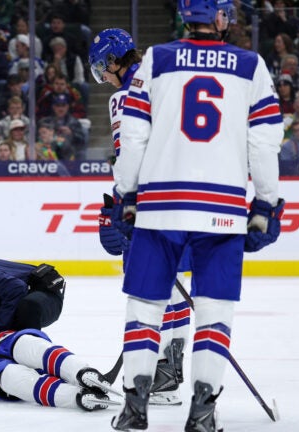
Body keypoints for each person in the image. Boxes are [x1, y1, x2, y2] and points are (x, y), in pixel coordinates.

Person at [110, 2, 285, 431]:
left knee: (145, 309)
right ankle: (203, 414)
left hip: (158, 206)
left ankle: (134, 412)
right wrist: (265, 202)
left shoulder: (157, 59)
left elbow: (133, 134)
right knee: (215, 313)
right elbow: (264, 143)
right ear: (221, 17)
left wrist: (126, 194)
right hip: (222, 208)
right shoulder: (251, 65)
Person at [88, 27, 191, 406]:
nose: (103, 75)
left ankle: (152, 374)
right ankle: (169, 376)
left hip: (149, 204)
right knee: (176, 286)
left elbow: (128, 157)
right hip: (187, 196)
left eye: (103, 67)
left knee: (147, 293)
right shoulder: (165, 77)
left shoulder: (124, 96)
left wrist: (120, 204)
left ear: (114, 61)